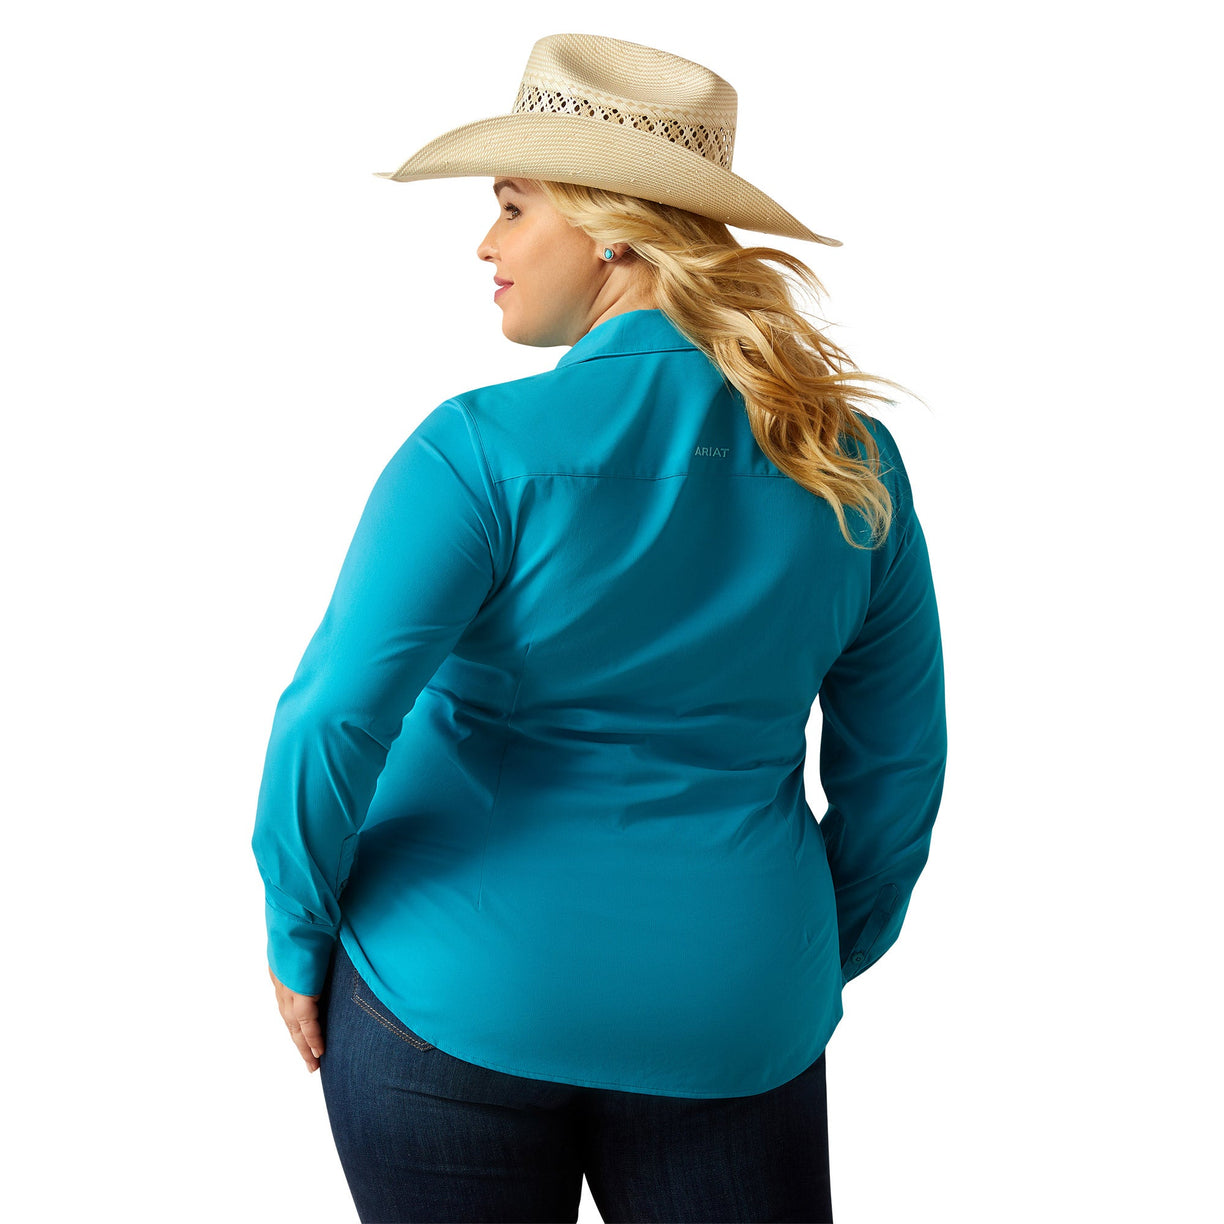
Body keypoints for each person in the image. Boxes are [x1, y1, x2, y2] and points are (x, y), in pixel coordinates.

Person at [250, 31, 947, 1224]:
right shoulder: (850, 464)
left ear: (611, 227)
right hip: (733, 1006)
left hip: (451, 991)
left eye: (515, 207)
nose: (487, 244)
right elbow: (899, 763)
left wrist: (294, 930)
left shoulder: (479, 451)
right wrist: (800, 956)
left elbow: (333, 716)